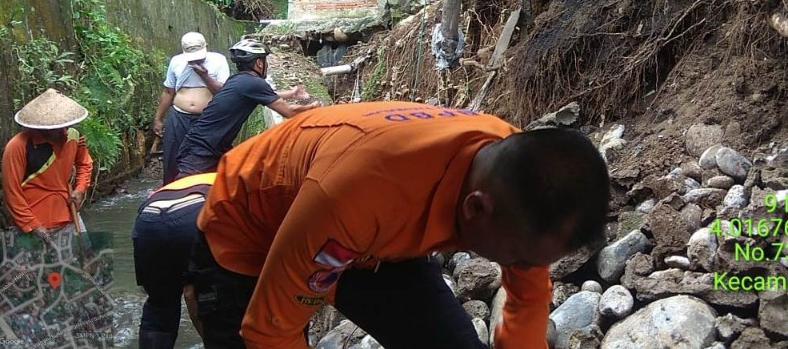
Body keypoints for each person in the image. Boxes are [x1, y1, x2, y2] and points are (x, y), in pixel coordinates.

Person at [187, 101, 611, 349]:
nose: (522, 267)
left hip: (367, 237)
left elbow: (529, 296)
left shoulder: (520, 170)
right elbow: (271, 333)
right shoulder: (358, 193)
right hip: (248, 229)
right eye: (518, 258)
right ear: (476, 209)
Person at [175, 38, 320, 178]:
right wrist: (315, 108)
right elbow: (289, 112)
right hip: (200, 153)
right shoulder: (253, 83)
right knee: (184, 196)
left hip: (208, 148)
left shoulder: (238, 80)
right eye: (265, 61)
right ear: (259, 63)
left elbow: (264, 94)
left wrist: (291, 93)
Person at [132, 172, 216, 349]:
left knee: (159, 305)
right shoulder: (238, 180)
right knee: (213, 297)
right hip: (194, 211)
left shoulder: (212, 176)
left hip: (148, 216)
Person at [1, 88, 93, 244]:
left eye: (62, 126)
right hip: (31, 222)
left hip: (67, 216)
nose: (60, 131)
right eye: (53, 128)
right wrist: (33, 225)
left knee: (89, 263)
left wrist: (80, 189)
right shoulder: (18, 146)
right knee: (31, 268)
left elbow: (85, 164)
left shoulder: (73, 137)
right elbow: (12, 192)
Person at [153, 32, 230, 184]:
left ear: (205, 46)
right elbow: (169, 91)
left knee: (207, 156)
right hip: (179, 116)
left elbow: (223, 92)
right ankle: (171, 191)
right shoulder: (177, 61)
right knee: (173, 156)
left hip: (207, 118)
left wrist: (204, 75)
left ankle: (206, 192)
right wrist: (158, 118)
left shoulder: (218, 60)